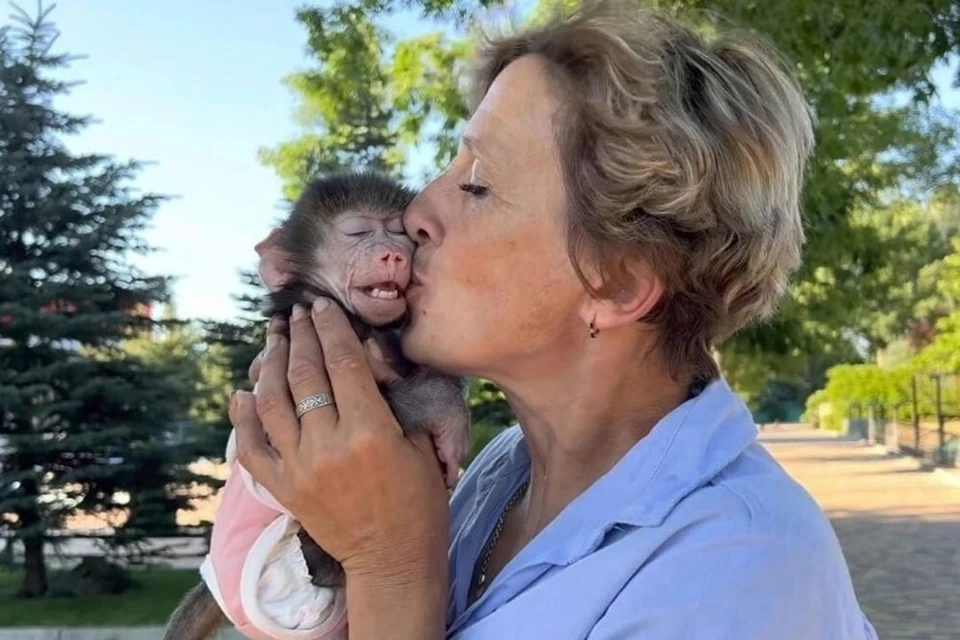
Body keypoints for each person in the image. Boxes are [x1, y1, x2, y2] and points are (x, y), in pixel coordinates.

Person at [228, 1, 879, 638]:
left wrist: (391, 566)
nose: (418, 208)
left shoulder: (742, 576)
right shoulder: (502, 471)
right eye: (450, 165)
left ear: (616, 280)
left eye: (477, 183)